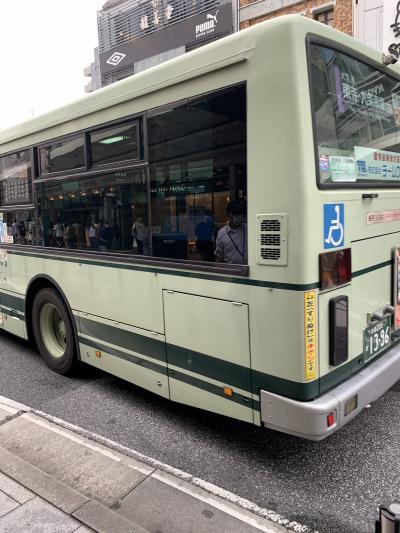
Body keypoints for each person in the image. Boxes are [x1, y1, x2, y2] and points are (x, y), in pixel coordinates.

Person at [215, 200, 247, 265]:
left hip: (249, 270)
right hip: (230, 270)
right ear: (228, 214)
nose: (238, 216)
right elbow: (218, 257)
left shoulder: (248, 228)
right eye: (235, 214)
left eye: (240, 214)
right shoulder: (222, 233)